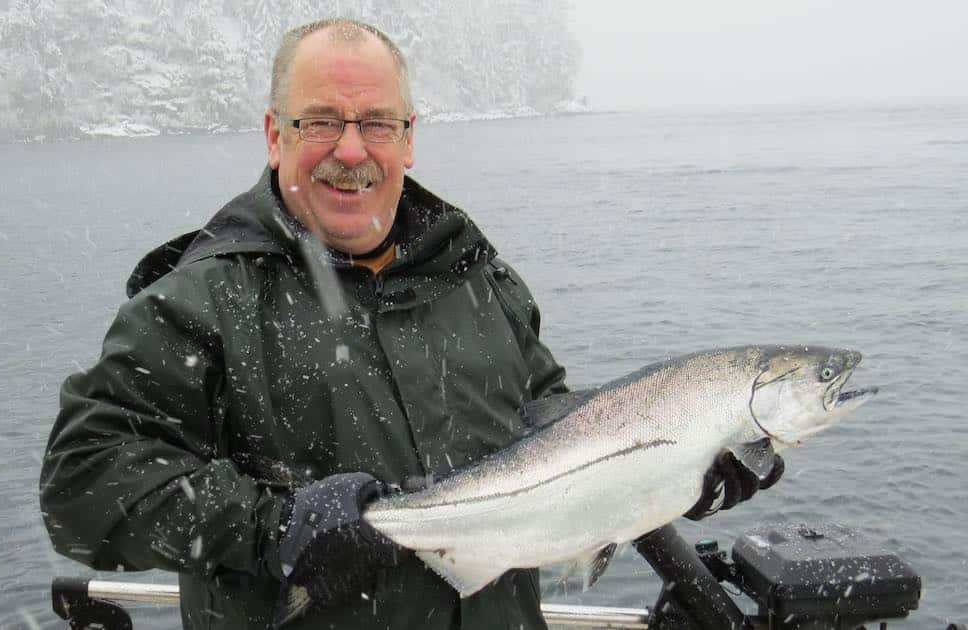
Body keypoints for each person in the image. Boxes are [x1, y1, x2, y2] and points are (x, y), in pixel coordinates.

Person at [39, 18, 781, 630]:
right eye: (321, 122)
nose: (351, 150)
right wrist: (273, 530)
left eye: (376, 123)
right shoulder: (201, 300)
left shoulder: (481, 281)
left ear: (409, 136)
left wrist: (678, 473)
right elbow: (81, 481)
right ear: (274, 134)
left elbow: (553, 427)